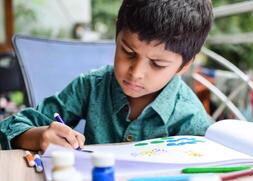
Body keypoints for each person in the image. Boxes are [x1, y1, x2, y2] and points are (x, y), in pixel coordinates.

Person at [0, 0, 213, 151]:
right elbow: (9, 127)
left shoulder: (192, 119)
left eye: (157, 64)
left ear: (184, 65)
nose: (136, 73)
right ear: (116, 36)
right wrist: (37, 137)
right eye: (128, 52)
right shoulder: (91, 87)